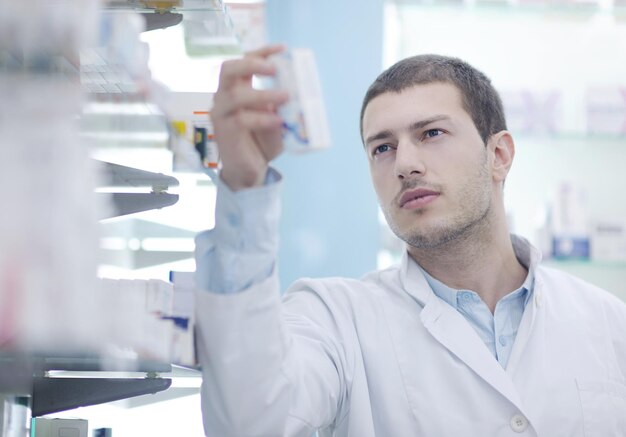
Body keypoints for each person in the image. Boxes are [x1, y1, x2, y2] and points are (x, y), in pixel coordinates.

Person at [194, 45, 626, 436]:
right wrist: (244, 191)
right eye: (382, 148)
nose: (405, 164)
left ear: (499, 156)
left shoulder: (606, 322)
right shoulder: (334, 319)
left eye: (431, 134)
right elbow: (249, 423)